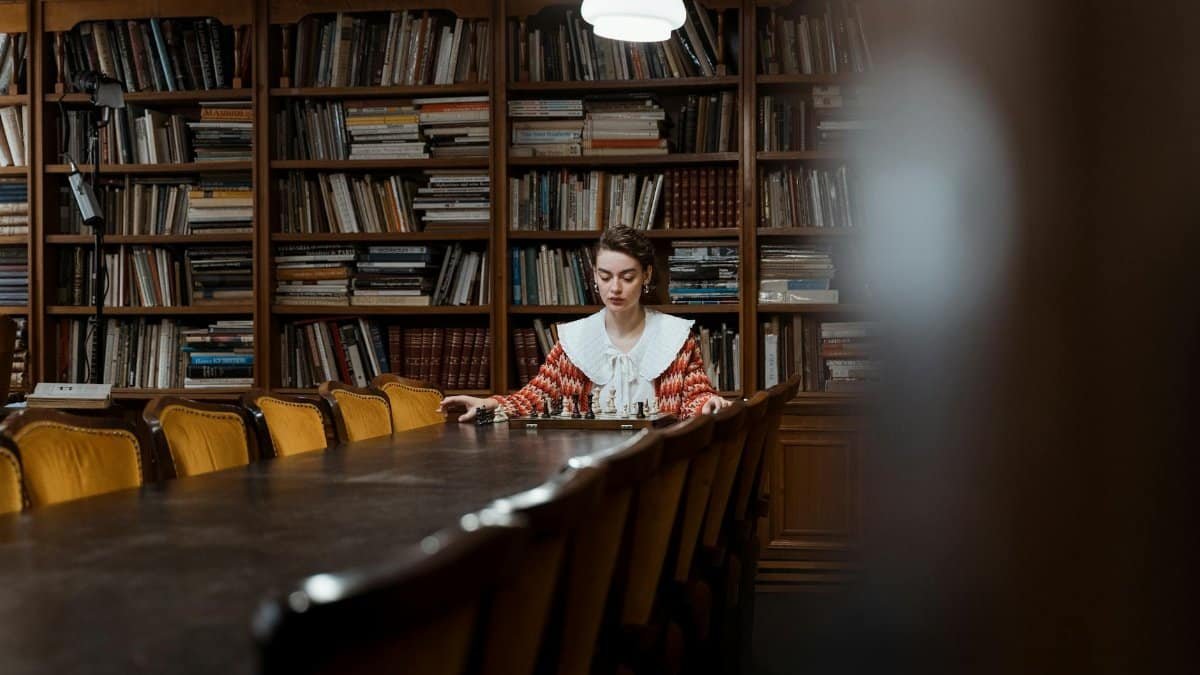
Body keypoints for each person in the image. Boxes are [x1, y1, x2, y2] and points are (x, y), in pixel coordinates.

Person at [440, 226, 733, 422]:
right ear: (594, 275)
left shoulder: (676, 335)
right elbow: (536, 396)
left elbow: (696, 395)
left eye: (627, 277)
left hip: (659, 467)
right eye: (605, 276)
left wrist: (709, 403)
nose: (615, 288)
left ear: (646, 275)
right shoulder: (575, 339)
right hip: (592, 470)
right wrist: (489, 405)